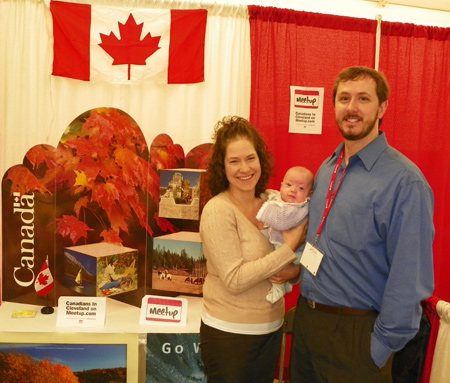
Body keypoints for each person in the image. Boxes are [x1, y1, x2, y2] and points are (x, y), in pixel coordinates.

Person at [289, 66, 435, 383]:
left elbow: (409, 278)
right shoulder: (328, 167)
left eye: (363, 98)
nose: (352, 108)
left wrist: (379, 348)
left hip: (357, 337)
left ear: (382, 107)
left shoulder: (405, 183)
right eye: (344, 98)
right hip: (307, 326)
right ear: (334, 106)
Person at [199, 116, 308, 383]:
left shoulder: (276, 203)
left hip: (271, 330)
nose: (244, 168)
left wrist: (293, 271)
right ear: (221, 168)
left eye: (250, 158)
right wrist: (290, 247)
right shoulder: (217, 210)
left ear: (261, 160)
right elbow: (235, 280)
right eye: (233, 161)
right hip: (229, 335)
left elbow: (295, 265)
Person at [256, 166, 314, 303]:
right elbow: (273, 195)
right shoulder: (282, 199)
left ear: (309, 194)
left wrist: (265, 210)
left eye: (301, 189)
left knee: (277, 266)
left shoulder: (298, 208)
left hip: (297, 253)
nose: (293, 190)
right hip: (288, 246)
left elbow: (280, 222)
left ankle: (278, 289)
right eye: (289, 185)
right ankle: (285, 285)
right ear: (281, 185)